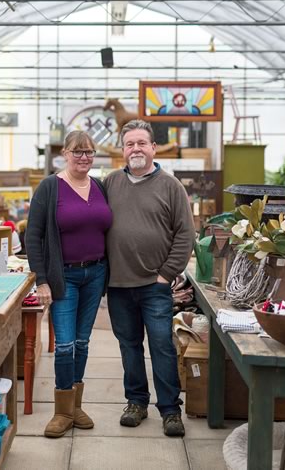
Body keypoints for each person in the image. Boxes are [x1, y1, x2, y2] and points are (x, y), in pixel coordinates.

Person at [103, 119, 194, 437]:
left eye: (142, 143)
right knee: (129, 346)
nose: (136, 148)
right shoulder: (110, 183)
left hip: (154, 285)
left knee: (162, 347)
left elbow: (185, 233)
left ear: (154, 148)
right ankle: (136, 403)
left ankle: (170, 410)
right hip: (117, 285)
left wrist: (165, 274)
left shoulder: (171, 186)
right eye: (130, 143)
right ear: (122, 150)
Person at [26, 130, 112, 438]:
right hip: (64, 277)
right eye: (78, 152)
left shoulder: (100, 186)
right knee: (64, 344)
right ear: (65, 153)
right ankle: (62, 411)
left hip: (96, 274)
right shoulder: (50, 188)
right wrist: (41, 280)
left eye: (89, 152)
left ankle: (75, 405)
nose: (84, 157)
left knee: (82, 342)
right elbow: (32, 237)